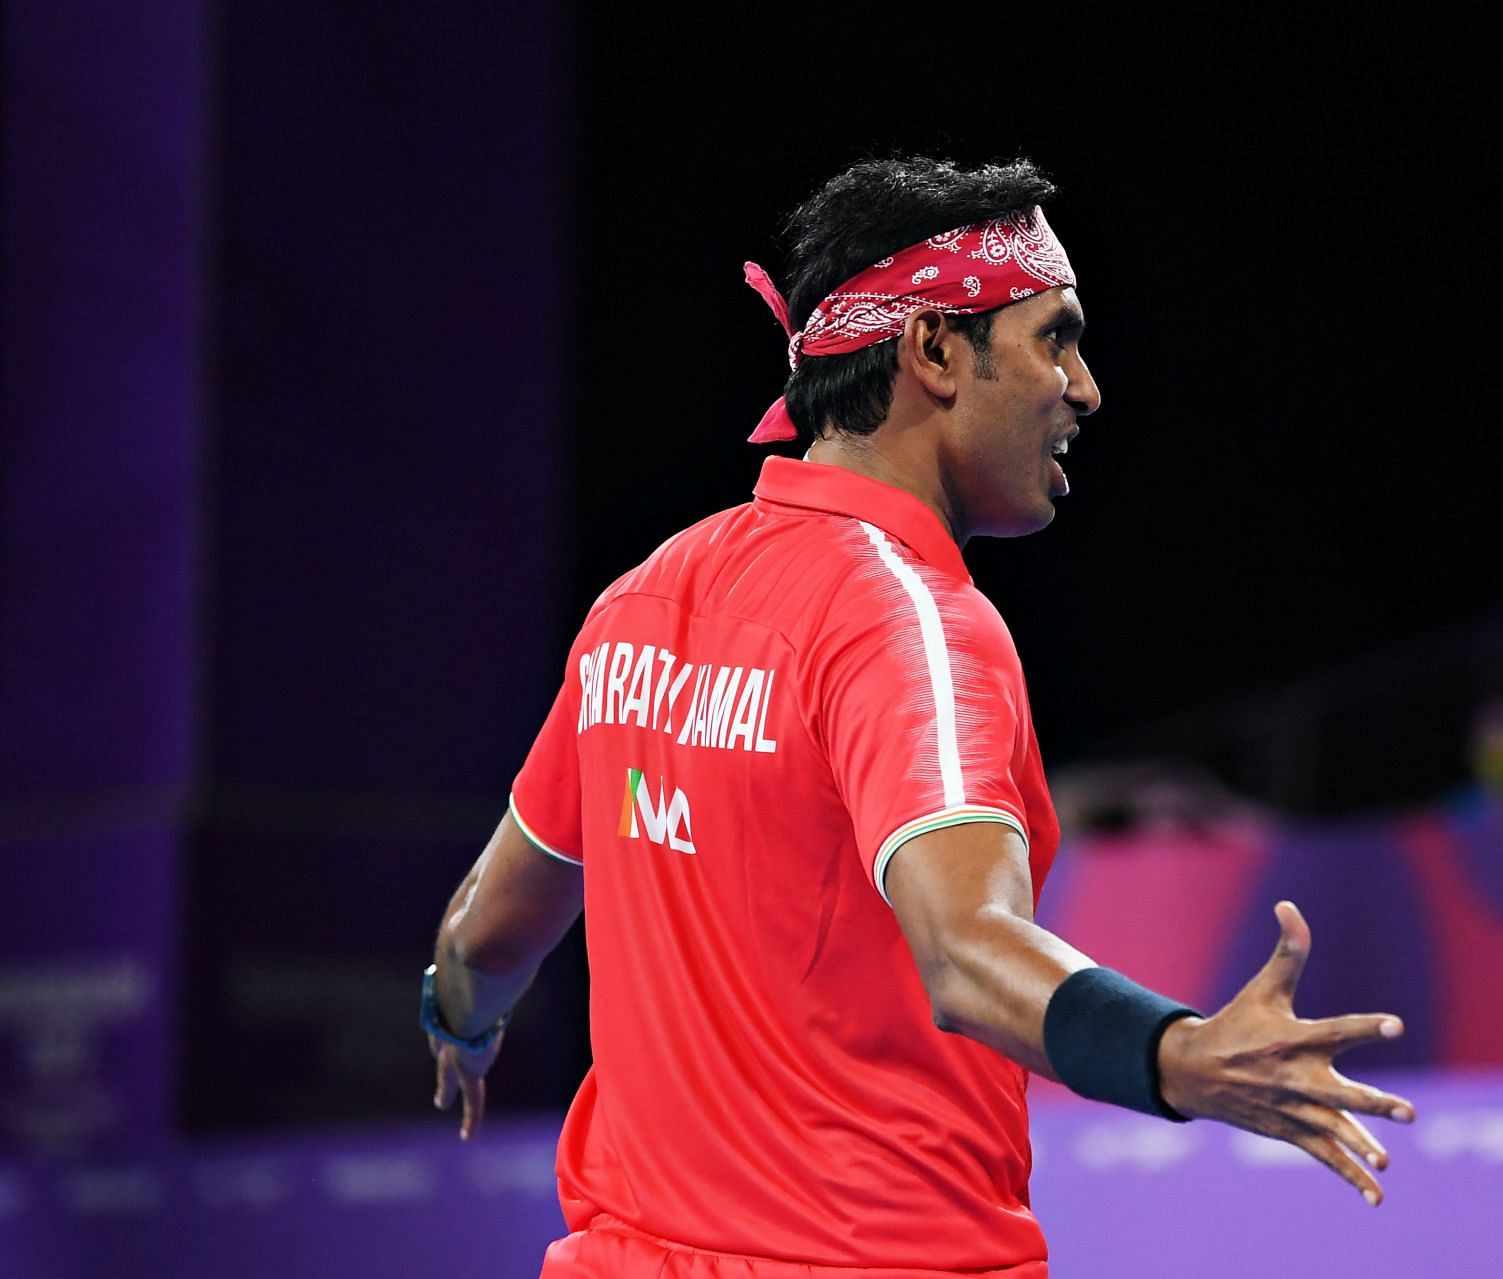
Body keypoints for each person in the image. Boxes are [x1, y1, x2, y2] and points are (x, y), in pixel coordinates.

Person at [421, 155, 1416, 1278]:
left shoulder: (641, 601)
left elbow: (486, 932)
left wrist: (460, 1022)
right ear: (935, 350)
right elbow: (965, 947)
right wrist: (1175, 1054)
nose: (1084, 387)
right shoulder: (911, 623)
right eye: (1055, 337)